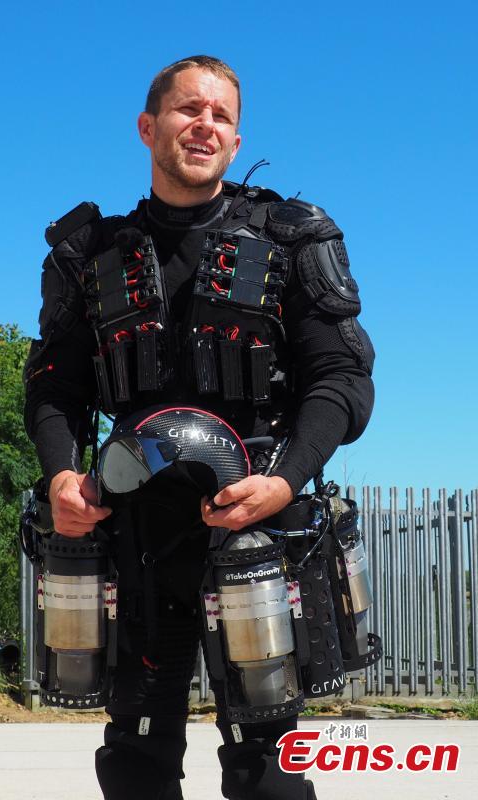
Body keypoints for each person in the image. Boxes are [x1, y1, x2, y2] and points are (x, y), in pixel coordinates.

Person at [24, 55, 375, 800]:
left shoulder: (291, 240)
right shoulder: (88, 254)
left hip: (252, 529)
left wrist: (283, 481)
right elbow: (54, 386)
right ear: (148, 126)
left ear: (236, 140)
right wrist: (61, 474)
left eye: (220, 115)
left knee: (267, 771)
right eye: (188, 110)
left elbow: (342, 382)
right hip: (135, 539)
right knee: (135, 760)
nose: (203, 125)